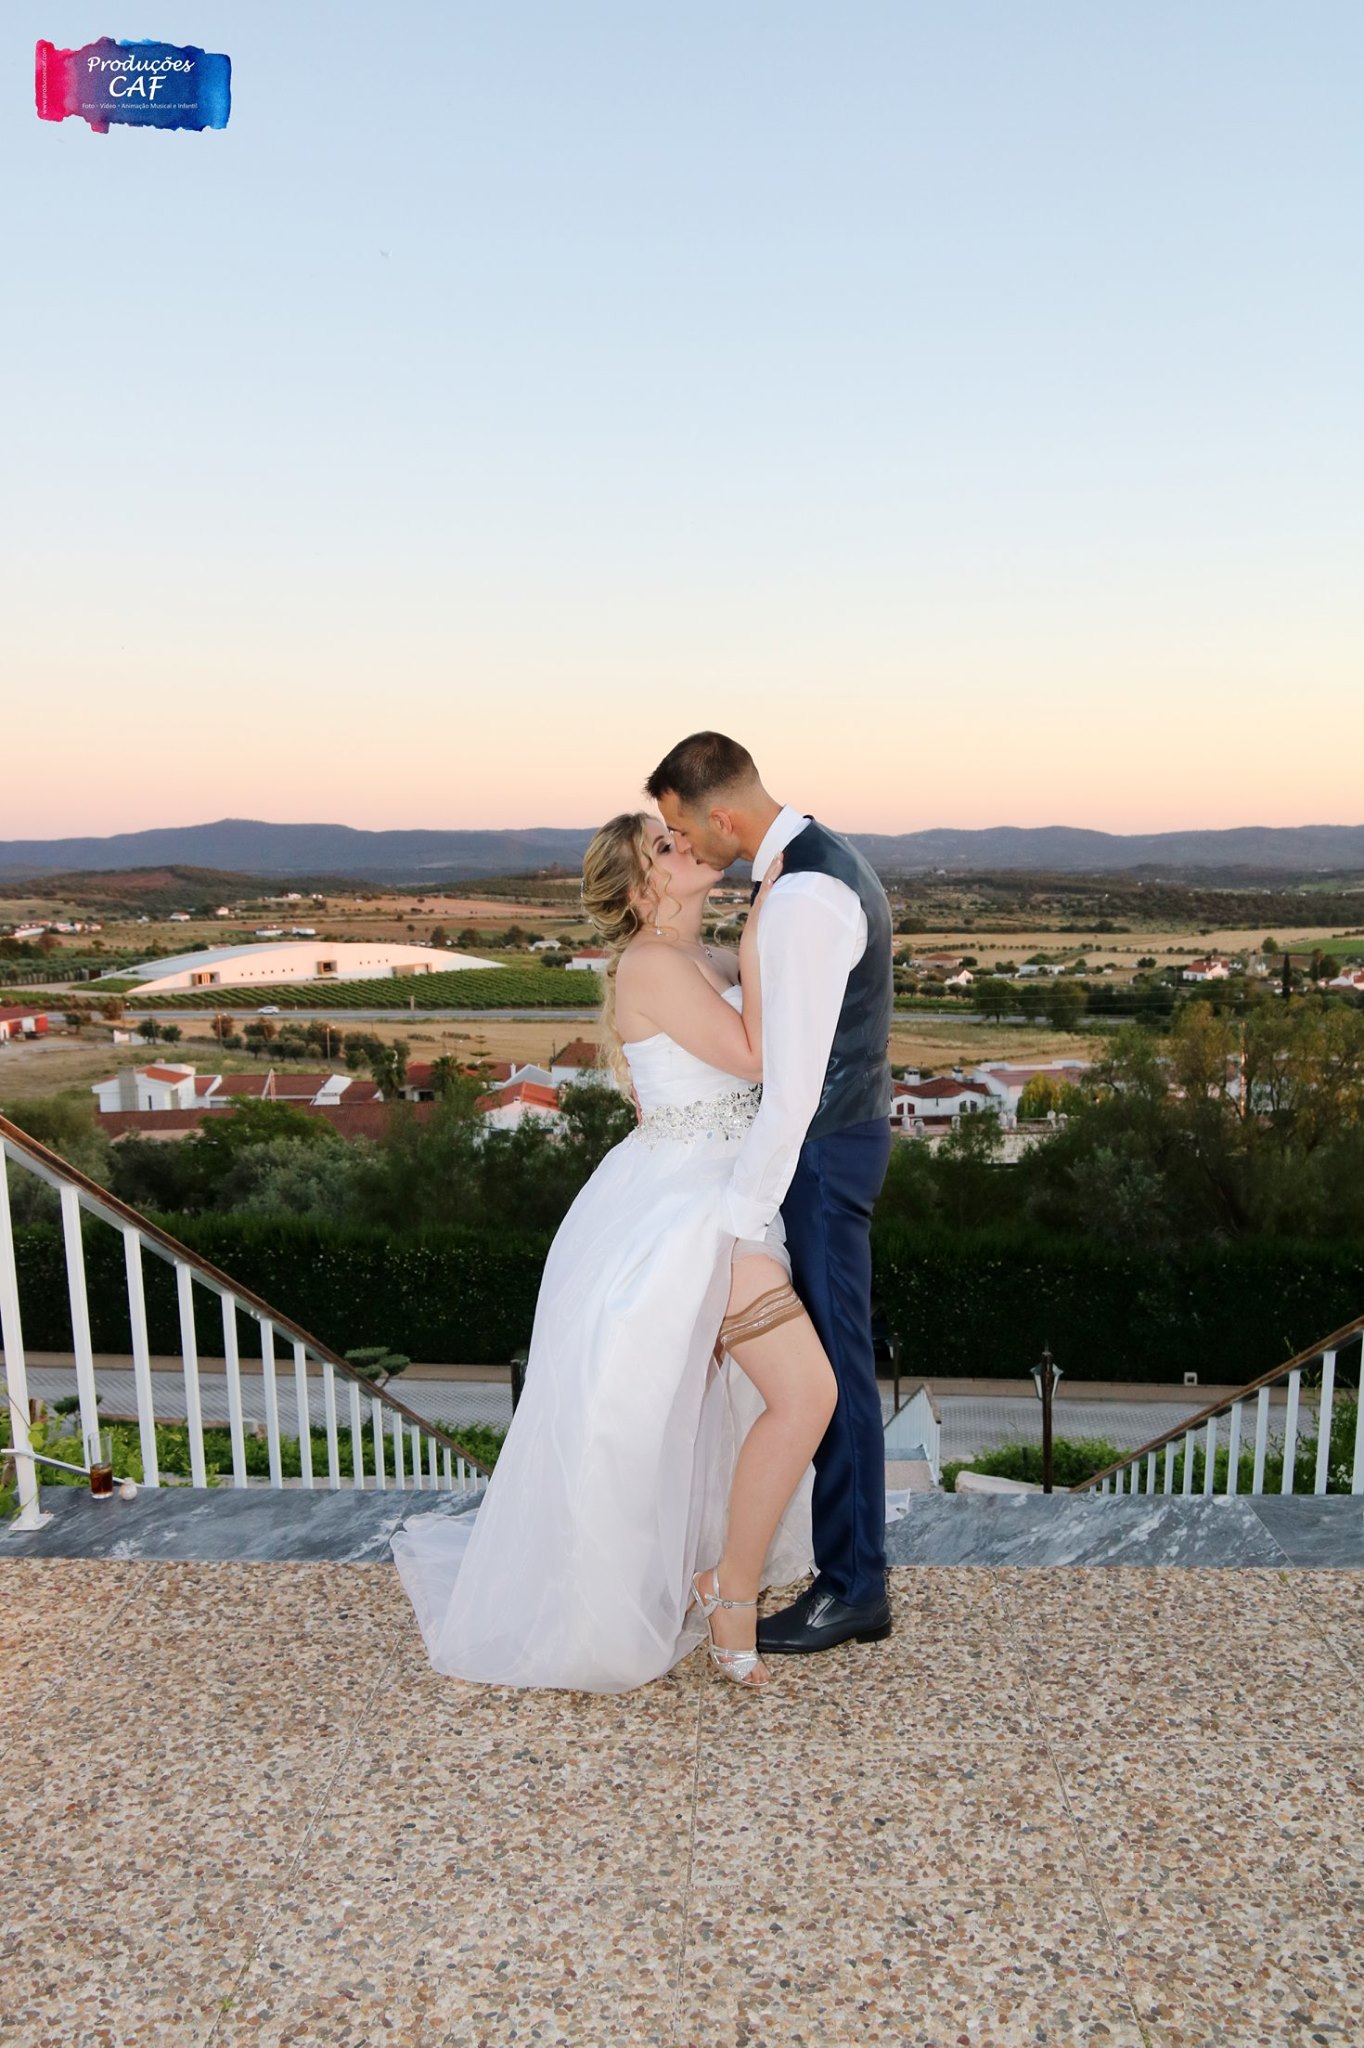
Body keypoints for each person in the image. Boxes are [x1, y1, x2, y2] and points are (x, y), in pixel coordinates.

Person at [389, 810, 837, 1692]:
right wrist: (761, 933)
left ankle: (722, 1580)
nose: (687, 845)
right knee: (803, 1394)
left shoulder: (702, 960)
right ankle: (729, 1591)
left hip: (729, 1194)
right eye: (666, 847)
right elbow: (755, 1056)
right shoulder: (652, 963)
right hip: (689, 1212)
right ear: (639, 890)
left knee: (739, 1408)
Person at [646, 732, 895, 1656]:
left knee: (835, 1373)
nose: (681, 845)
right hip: (835, 1142)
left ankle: (854, 1589)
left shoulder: (802, 895)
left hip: (821, 1153)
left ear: (721, 816)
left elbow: (791, 1085)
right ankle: (847, 1574)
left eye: (681, 829)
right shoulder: (814, 864)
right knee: (831, 1364)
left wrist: (741, 1217)